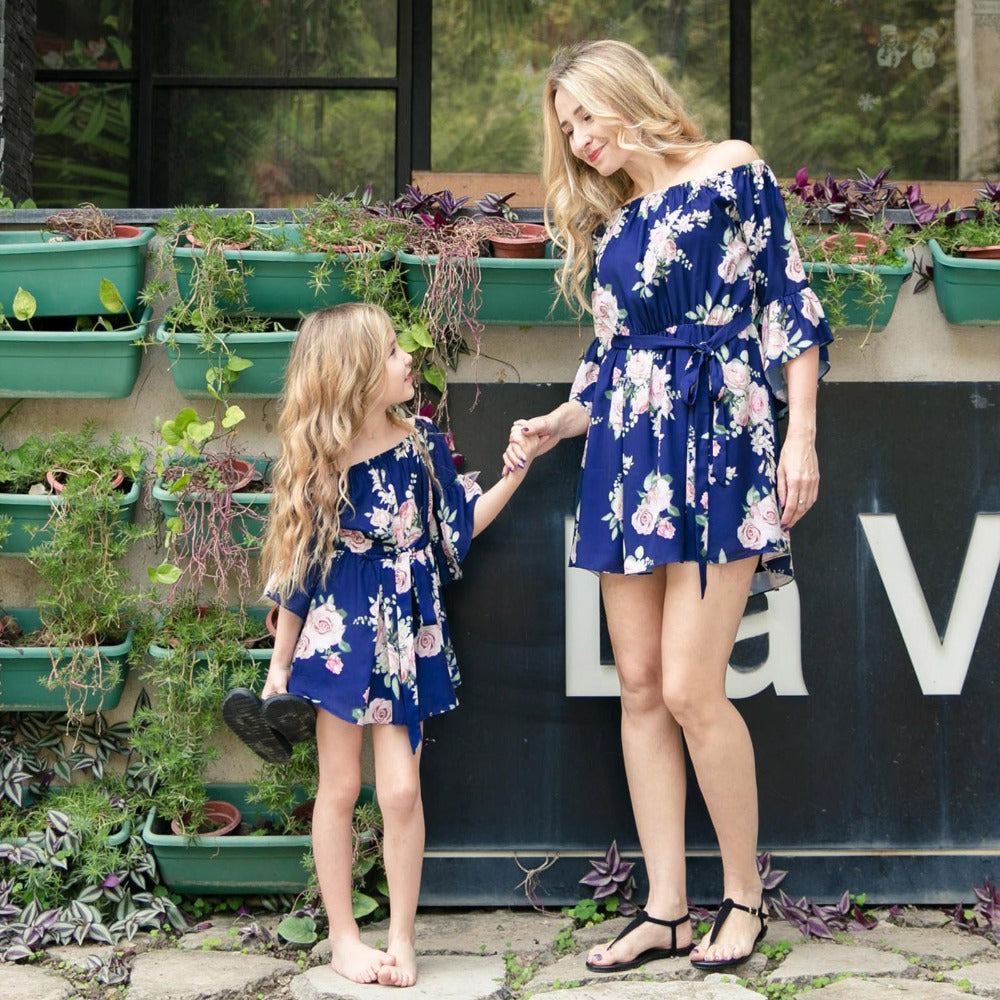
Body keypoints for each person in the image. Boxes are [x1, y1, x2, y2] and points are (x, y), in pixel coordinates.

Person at [503, 40, 833, 972]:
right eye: (564, 128)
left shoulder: (731, 170)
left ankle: (743, 898)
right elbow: (607, 368)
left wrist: (800, 439)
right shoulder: (616, 224)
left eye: (583, 116)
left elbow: (790, 310)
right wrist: (555, 423)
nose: (576, 139)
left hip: (723, 443)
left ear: (624, 95)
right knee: (641, 688)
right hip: (625, 459)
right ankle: (665, 910)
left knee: (692, 687)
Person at [250, 302, 538, 988]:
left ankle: (403, 937)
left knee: (402, 792)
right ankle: (345, 937)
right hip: (337, 634)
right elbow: (297, 574)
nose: (408, 358)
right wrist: (278, 667)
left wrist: (516, 474)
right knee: (340, 787)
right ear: (355, 375)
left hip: (405, 634)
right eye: (390, 352)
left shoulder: (421, 442)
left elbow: (455, 530)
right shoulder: (318, 460)